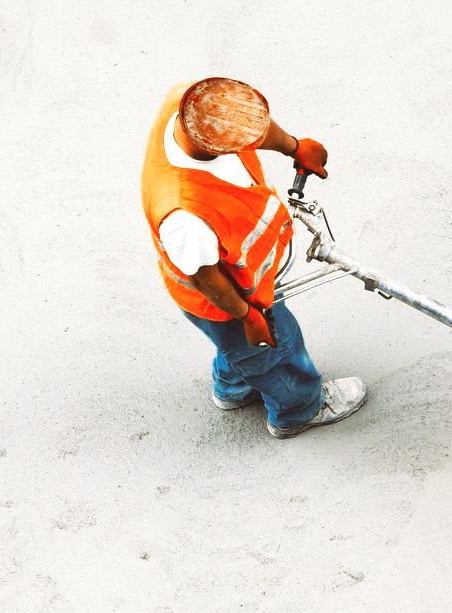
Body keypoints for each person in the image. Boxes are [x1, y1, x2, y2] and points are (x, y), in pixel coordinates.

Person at [140, 77, 365, 438]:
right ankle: (299, 408)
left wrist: (293, 147)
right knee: (276, 348)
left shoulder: (190, 103)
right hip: (228, 298)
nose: (252, 141)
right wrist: (247, 315)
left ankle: (234, 388)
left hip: (244, 278)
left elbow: (251, 128)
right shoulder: (184, 214)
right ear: (216, 146)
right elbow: (206, 279)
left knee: (241, 352)